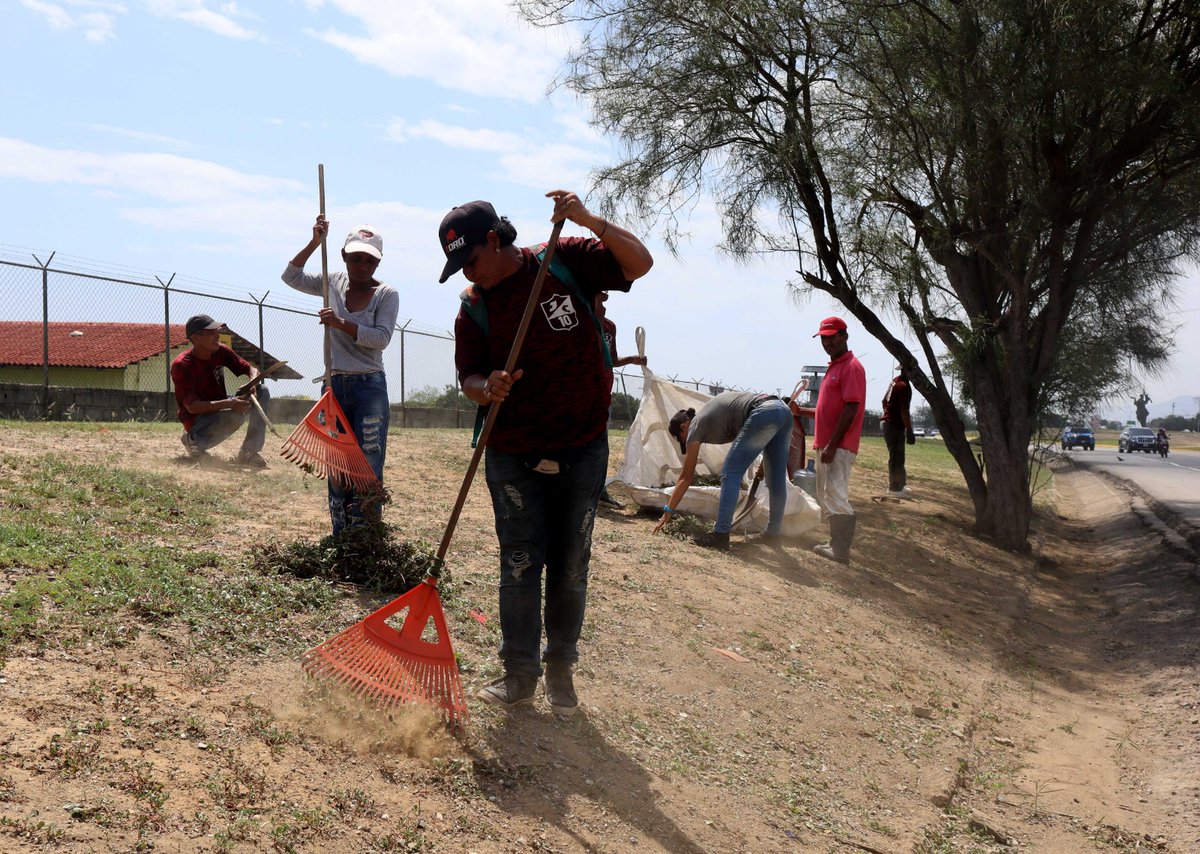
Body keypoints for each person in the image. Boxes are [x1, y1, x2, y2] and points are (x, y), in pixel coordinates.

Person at [442, 190, 653, 715]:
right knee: (519, 562)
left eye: (471, 258)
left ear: (495, 240)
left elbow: (639, 264)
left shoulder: (564, 259)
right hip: (512, 451)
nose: (469, 272)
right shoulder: (473, 307)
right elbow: (468, 378)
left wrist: (588, 220)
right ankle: (519, 673)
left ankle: (561, 670)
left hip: (582, 445)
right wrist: (485, 387)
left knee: (570, 563)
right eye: (459, 266)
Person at [282, 220, 400, 535]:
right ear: (343, 256)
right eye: (356, 258)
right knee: (336, 463)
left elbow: (381, 338)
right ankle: (341, 535)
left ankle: (365, 536)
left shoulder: (386, 294)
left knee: (368, 461)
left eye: (370, 260)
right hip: (333, 384)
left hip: (368, 386)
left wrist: (341, 323)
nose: (362, 266)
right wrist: (314, 242)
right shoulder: (331, 282)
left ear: (378, 263)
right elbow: (290, 276)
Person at [653, 391, 794, 551]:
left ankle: (720, 535)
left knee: (730, 472)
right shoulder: (708, 416)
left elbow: (686, 476)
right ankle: (773, 535)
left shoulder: (695, 426)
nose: (688, 443)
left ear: (683, 427)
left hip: (763, 412)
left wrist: (668, 510)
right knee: (776, 480)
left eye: (683, 440)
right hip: (782, 411)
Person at [171, 314, 270, 467]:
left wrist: (253, 382)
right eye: (211, 333)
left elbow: (251, 369)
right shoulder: (182, 365)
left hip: (221, 409)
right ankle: (194, 440)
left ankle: (249, 453)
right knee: (235, 415)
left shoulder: (220, 351)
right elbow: (192, 407)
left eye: (217, 331)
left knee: (261, 390)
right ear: (196, 338)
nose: (217, 336)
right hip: (197, 420)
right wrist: (230, 403)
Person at [811, 316, 866, 564]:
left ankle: (840, 550)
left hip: (839, 445)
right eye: (823, 339)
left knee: (836, 495)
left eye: (832, 337)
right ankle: (835, 544)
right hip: (828, 443)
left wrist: (832, 445)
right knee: (827, 494)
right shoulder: (835, 367)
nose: (827, 343)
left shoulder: (851, 367)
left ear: (844, 336)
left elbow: (851, 407)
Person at [594, 290, 648, 508]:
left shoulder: (609, 327)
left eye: (604, 295)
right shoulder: (580, 322)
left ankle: (599, 491)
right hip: (581, 394)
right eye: (599, 295)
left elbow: (612, 359)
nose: (604, 299)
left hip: (602, 395)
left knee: (600, 447)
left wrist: (632, 359)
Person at [880, 367, 917, 497]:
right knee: (896, 457)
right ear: (906, 370)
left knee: (899, 456)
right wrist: (909, 430)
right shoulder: (903, 386)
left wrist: (888, 413)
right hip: (893, 425)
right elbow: (904, 410)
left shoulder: (895, 381)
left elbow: (884, 401)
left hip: (890, 423)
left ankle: (900, 484)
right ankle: (894, 488)